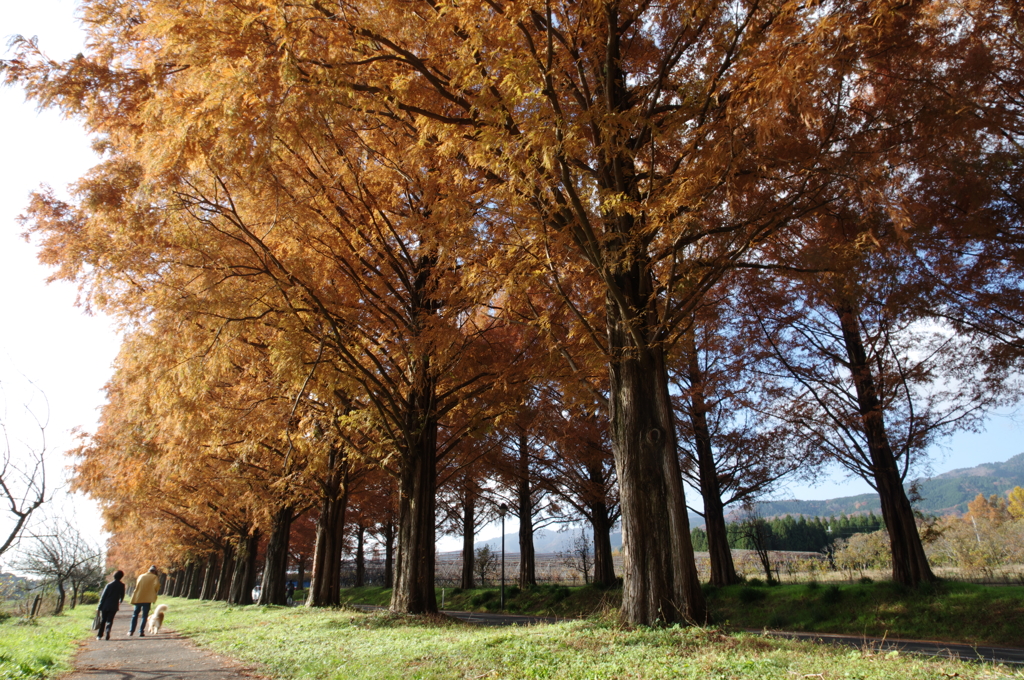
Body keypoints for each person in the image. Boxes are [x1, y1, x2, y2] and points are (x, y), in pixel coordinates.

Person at [129, 565, 161, 637]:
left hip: (138, 597)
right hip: (147, 598)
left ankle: (131, 631)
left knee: (135, 614)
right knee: (144, 616)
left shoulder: (141, 576)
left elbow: (137, 585)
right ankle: (141, 631)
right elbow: (156, 586)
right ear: (154, 571)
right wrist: (153, 592)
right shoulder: (154, 577)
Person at [96, 570, 126, 640]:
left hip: (105, 605)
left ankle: (99, 635)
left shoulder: (109, 585)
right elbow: (122, 596)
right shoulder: (122, 585)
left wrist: (99, 606)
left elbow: (103, 597)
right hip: (114, 605)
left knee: (103, 620)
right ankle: (108, 630)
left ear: (114, 576)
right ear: (121, 577)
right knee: (110, 619)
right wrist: (120, 601)